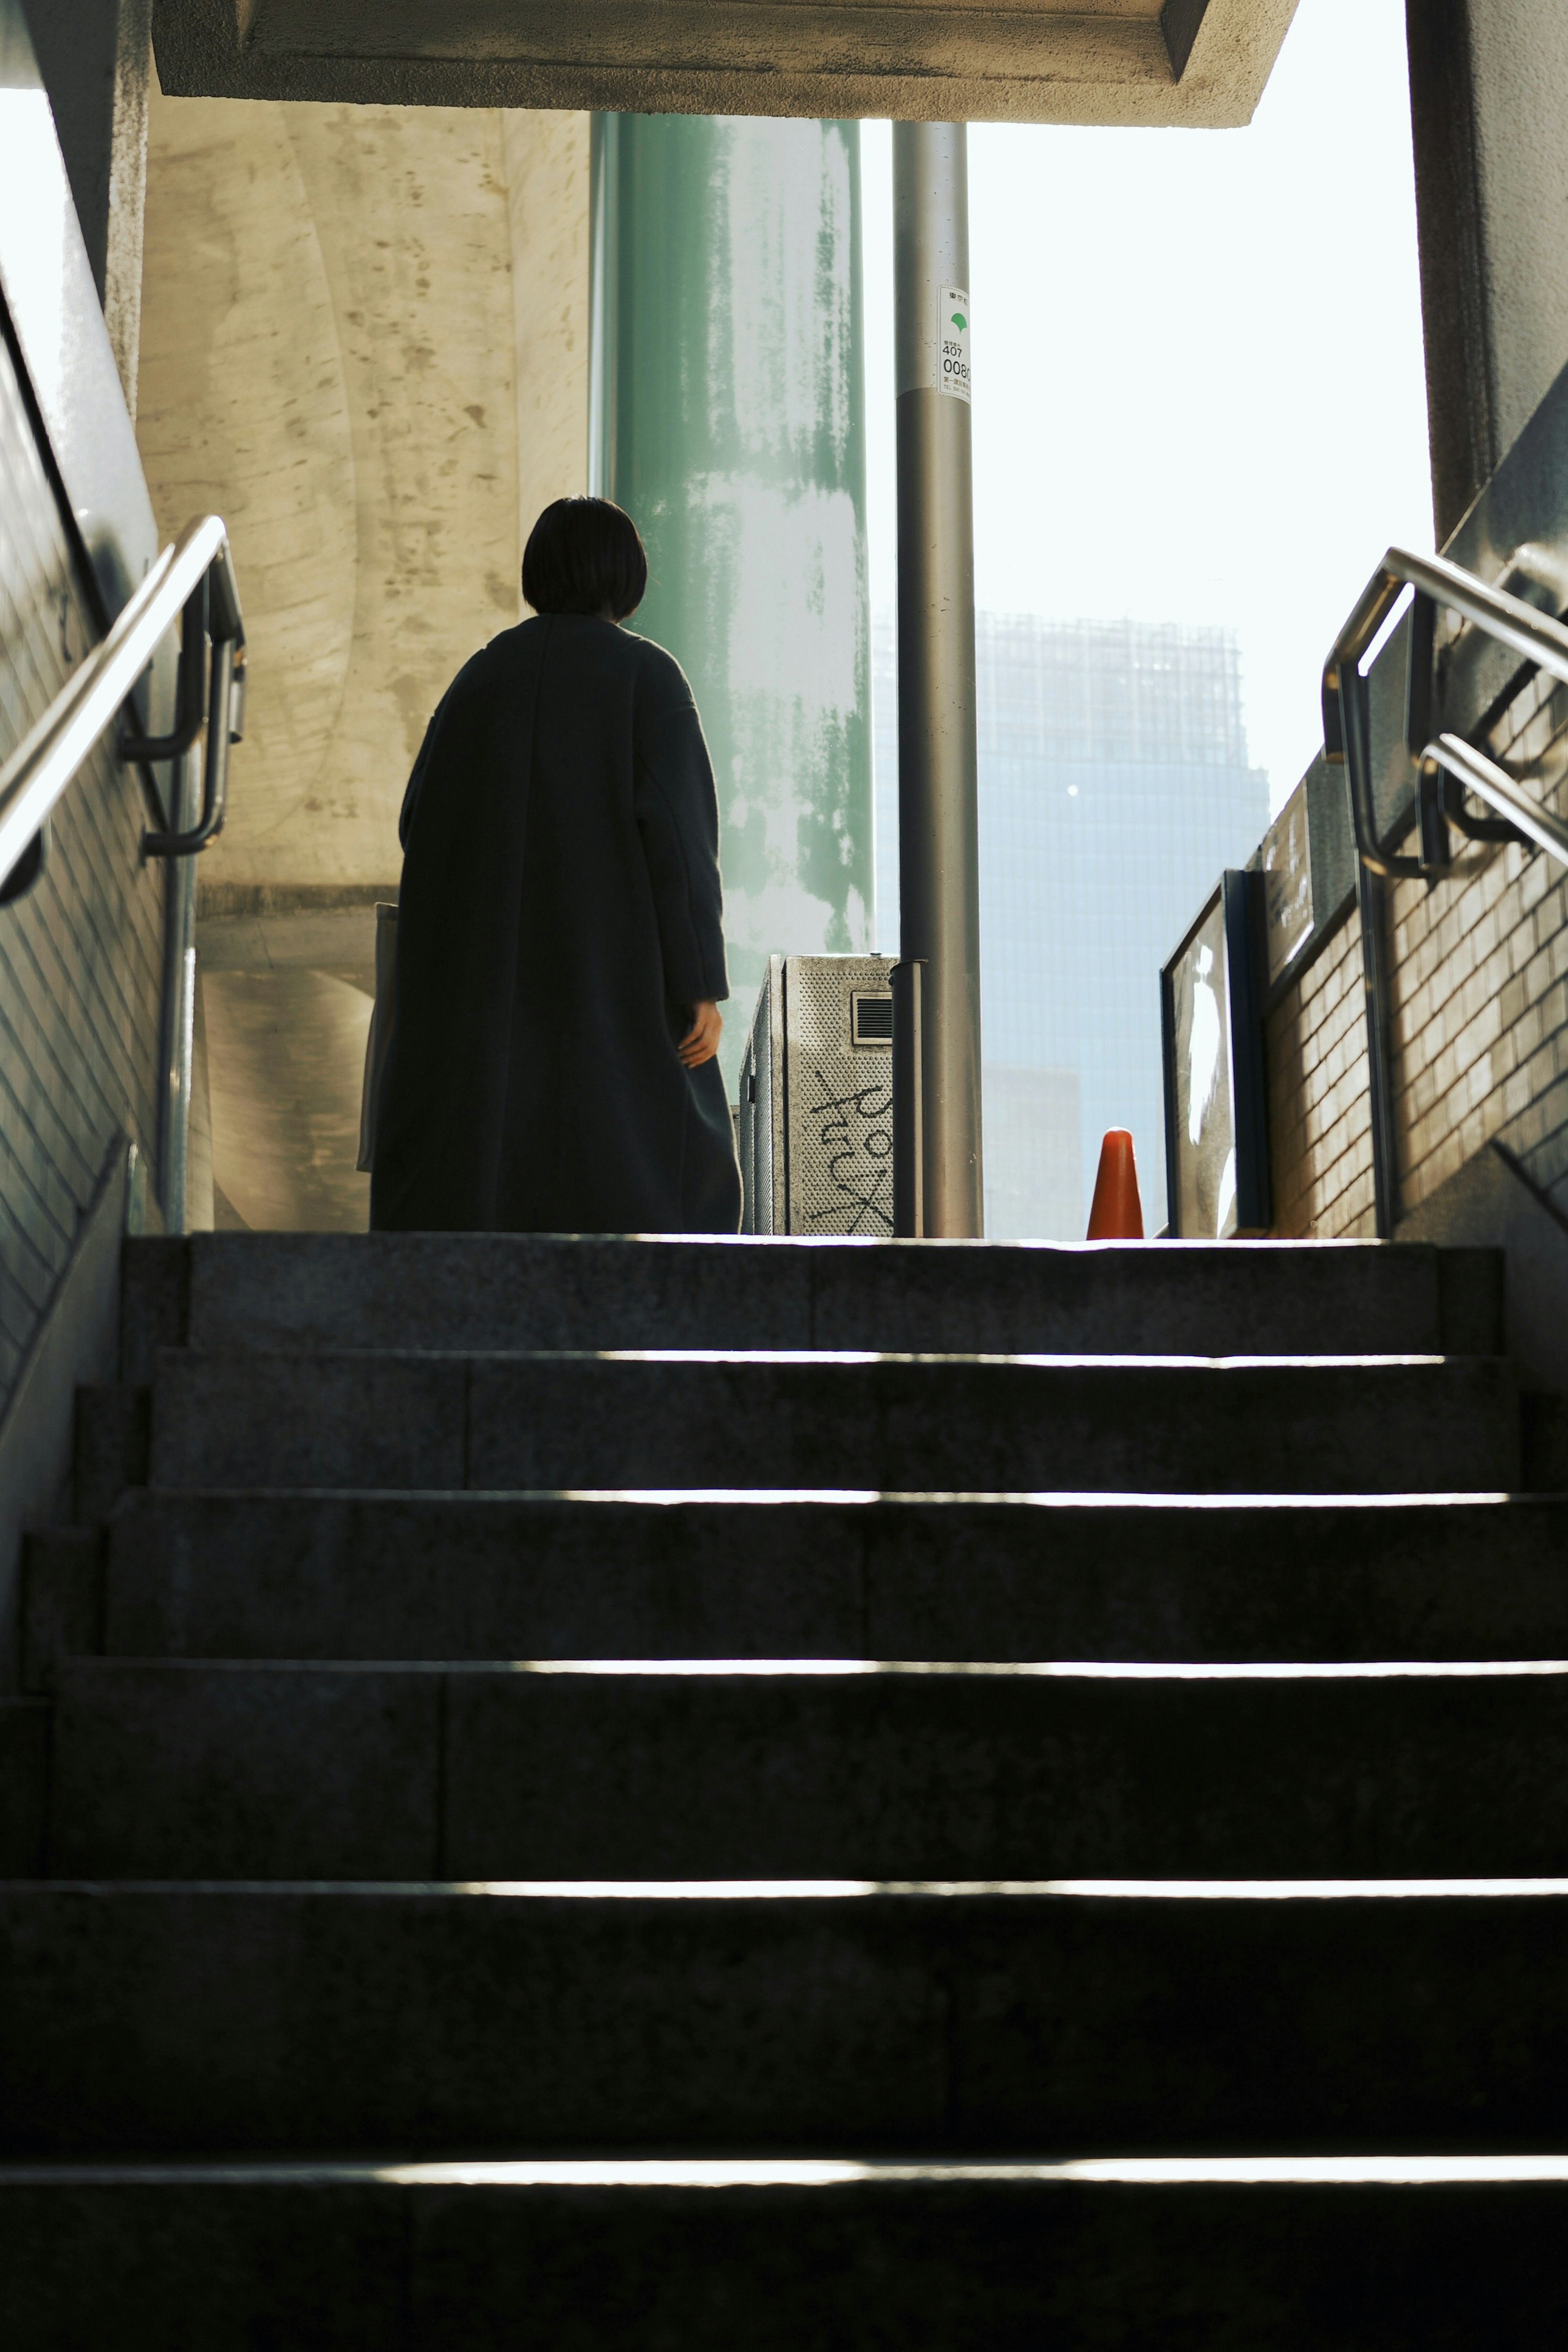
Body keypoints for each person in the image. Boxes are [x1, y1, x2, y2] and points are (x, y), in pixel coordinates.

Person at [370, 497, 742, 1235]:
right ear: (625, 578)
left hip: (485, 991)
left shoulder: (478, 679)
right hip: (609, 978)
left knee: (484, 1165)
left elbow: (419, 823)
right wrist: (700, 982)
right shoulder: (647, 679)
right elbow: (679, 838)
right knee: (641, 1153)